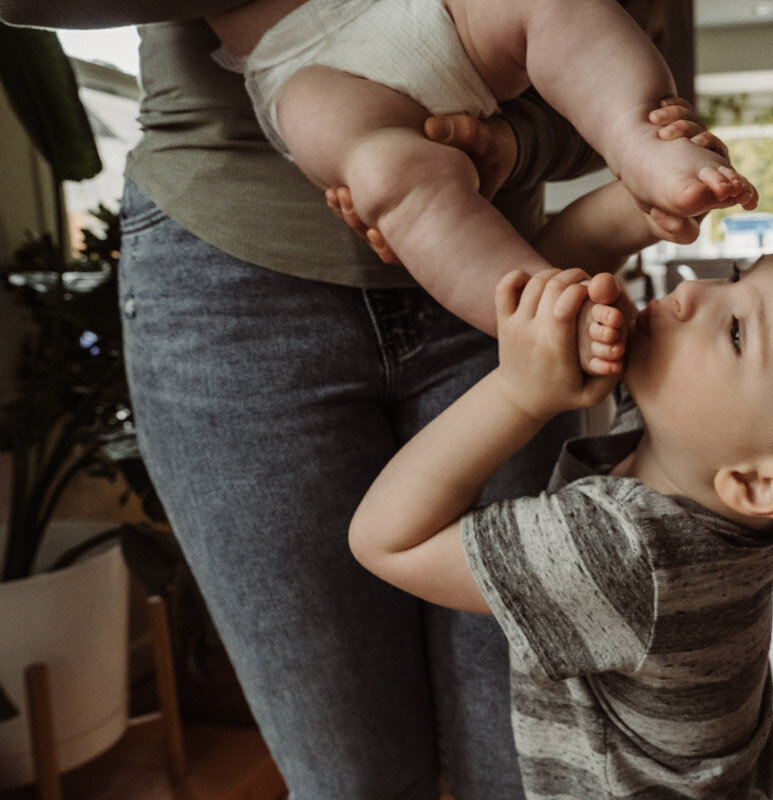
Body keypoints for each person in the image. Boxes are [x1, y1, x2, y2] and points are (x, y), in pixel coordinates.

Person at [0, 3, 724, 798]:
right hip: (273, 184)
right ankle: (506, 262)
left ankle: (561, 234)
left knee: (519, 765)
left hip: (488, 243)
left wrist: (514, 145)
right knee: (351, 778)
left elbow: (619, 38)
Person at [350, 235, 773, 799]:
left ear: (755, 484)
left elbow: (386, 540)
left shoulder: (625, 553)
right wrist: (638, 196)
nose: (693, 292)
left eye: (737, 332)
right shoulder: (717, 490)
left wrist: (520, 393)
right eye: (739, 278)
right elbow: (562, 253)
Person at [204, 0, 758, 333]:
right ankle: (545, 315)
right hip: (307, 67)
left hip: (444, 11)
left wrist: (515, 142)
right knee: (388, 176)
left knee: (556, 9)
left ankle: (641, 142)